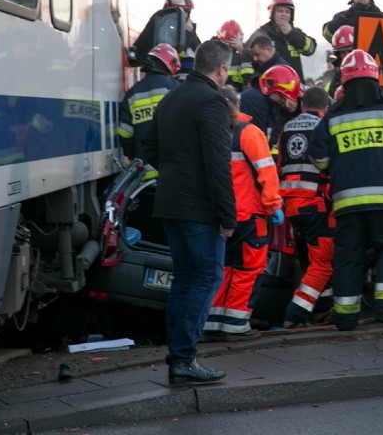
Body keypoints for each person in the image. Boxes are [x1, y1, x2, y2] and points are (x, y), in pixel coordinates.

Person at [141, 39, 235, 385]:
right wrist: (228, 216)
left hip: (169, 203)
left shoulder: (172, 97)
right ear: (221, 69)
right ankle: (184, 359)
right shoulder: (212, 102)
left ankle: (178, 358)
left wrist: (175, 172)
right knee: (207, 277)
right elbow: (218, 164)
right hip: (199, 209)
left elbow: (148, 146)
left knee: (184, 280)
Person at [307, 49, 383, 330]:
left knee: (348, 256)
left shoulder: (333, 115)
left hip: (347, 204)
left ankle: (345, 317)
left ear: (344, 82)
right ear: (375, 78)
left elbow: (319, 158)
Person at [203, 85, 283, 340]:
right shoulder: (249, 133)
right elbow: (266, 172)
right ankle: (236, 326)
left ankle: (212, 324)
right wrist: (274, 206)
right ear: (238, 105)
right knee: (248, 270)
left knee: (223, 269)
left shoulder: (211, 134)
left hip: (220, 218)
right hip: (250, 216)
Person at [271, 79, 335, 328]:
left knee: (310, 262)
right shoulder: (324, 126)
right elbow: (329, 165)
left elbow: (279, 165)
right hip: (315, 206)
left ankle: (322, 310)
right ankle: (295, 314)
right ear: (324, 108)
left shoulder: (287, 129)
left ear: (302, 104)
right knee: (322, 264)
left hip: (290, 208)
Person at [117, 43, 180, 171]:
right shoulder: (176, 89)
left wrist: (133, 155)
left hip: (144, 174)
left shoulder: (132, 94)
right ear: (170, 65)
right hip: (173, 173)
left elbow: (125, 133)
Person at [131, 0, 202, 78]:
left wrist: (190, 34)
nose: (186, 17)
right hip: (167, 80)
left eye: (187, 13)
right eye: (184, 13)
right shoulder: (157, 26)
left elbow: (201, 57)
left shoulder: (191, 34)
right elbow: (138, 52)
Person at [249, 0, 316, 81]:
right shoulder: (262, 33)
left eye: (287, 12)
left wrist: (291, 34)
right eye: (280, 11)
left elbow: (310, 50)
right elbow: (248, 56)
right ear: (272, 13)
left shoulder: (296, 32)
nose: (284, 14)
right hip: (270, 85)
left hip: (294, 84)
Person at [239, 34, 291, 142]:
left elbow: (280, 107)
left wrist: (274, 140)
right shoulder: (264, 67)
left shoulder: (280, 70)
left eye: (257, 54)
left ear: (268, 49)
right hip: (266, 121)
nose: (255, 58)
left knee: (250, 96)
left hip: (272, 125)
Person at [213, 20, 252, 91]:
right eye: (228, 45)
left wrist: (243, 52)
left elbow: (248, 79)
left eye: (232, 45)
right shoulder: (214, 55)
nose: (230, 49)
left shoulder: (246, 56)